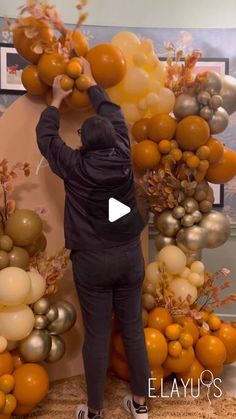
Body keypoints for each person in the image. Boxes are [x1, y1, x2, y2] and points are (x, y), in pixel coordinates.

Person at [36, 58, 151, 419]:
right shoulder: (123, 153)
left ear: (84, 142)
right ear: (114, 140)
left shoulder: (74, 165)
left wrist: (55, 99)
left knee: (98, 335)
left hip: (92, 261)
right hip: (129, 255)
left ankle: (96, 411)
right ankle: (142, 405)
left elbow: (46, 138)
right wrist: (90, 82)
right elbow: (113, 112)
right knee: (133, 330)